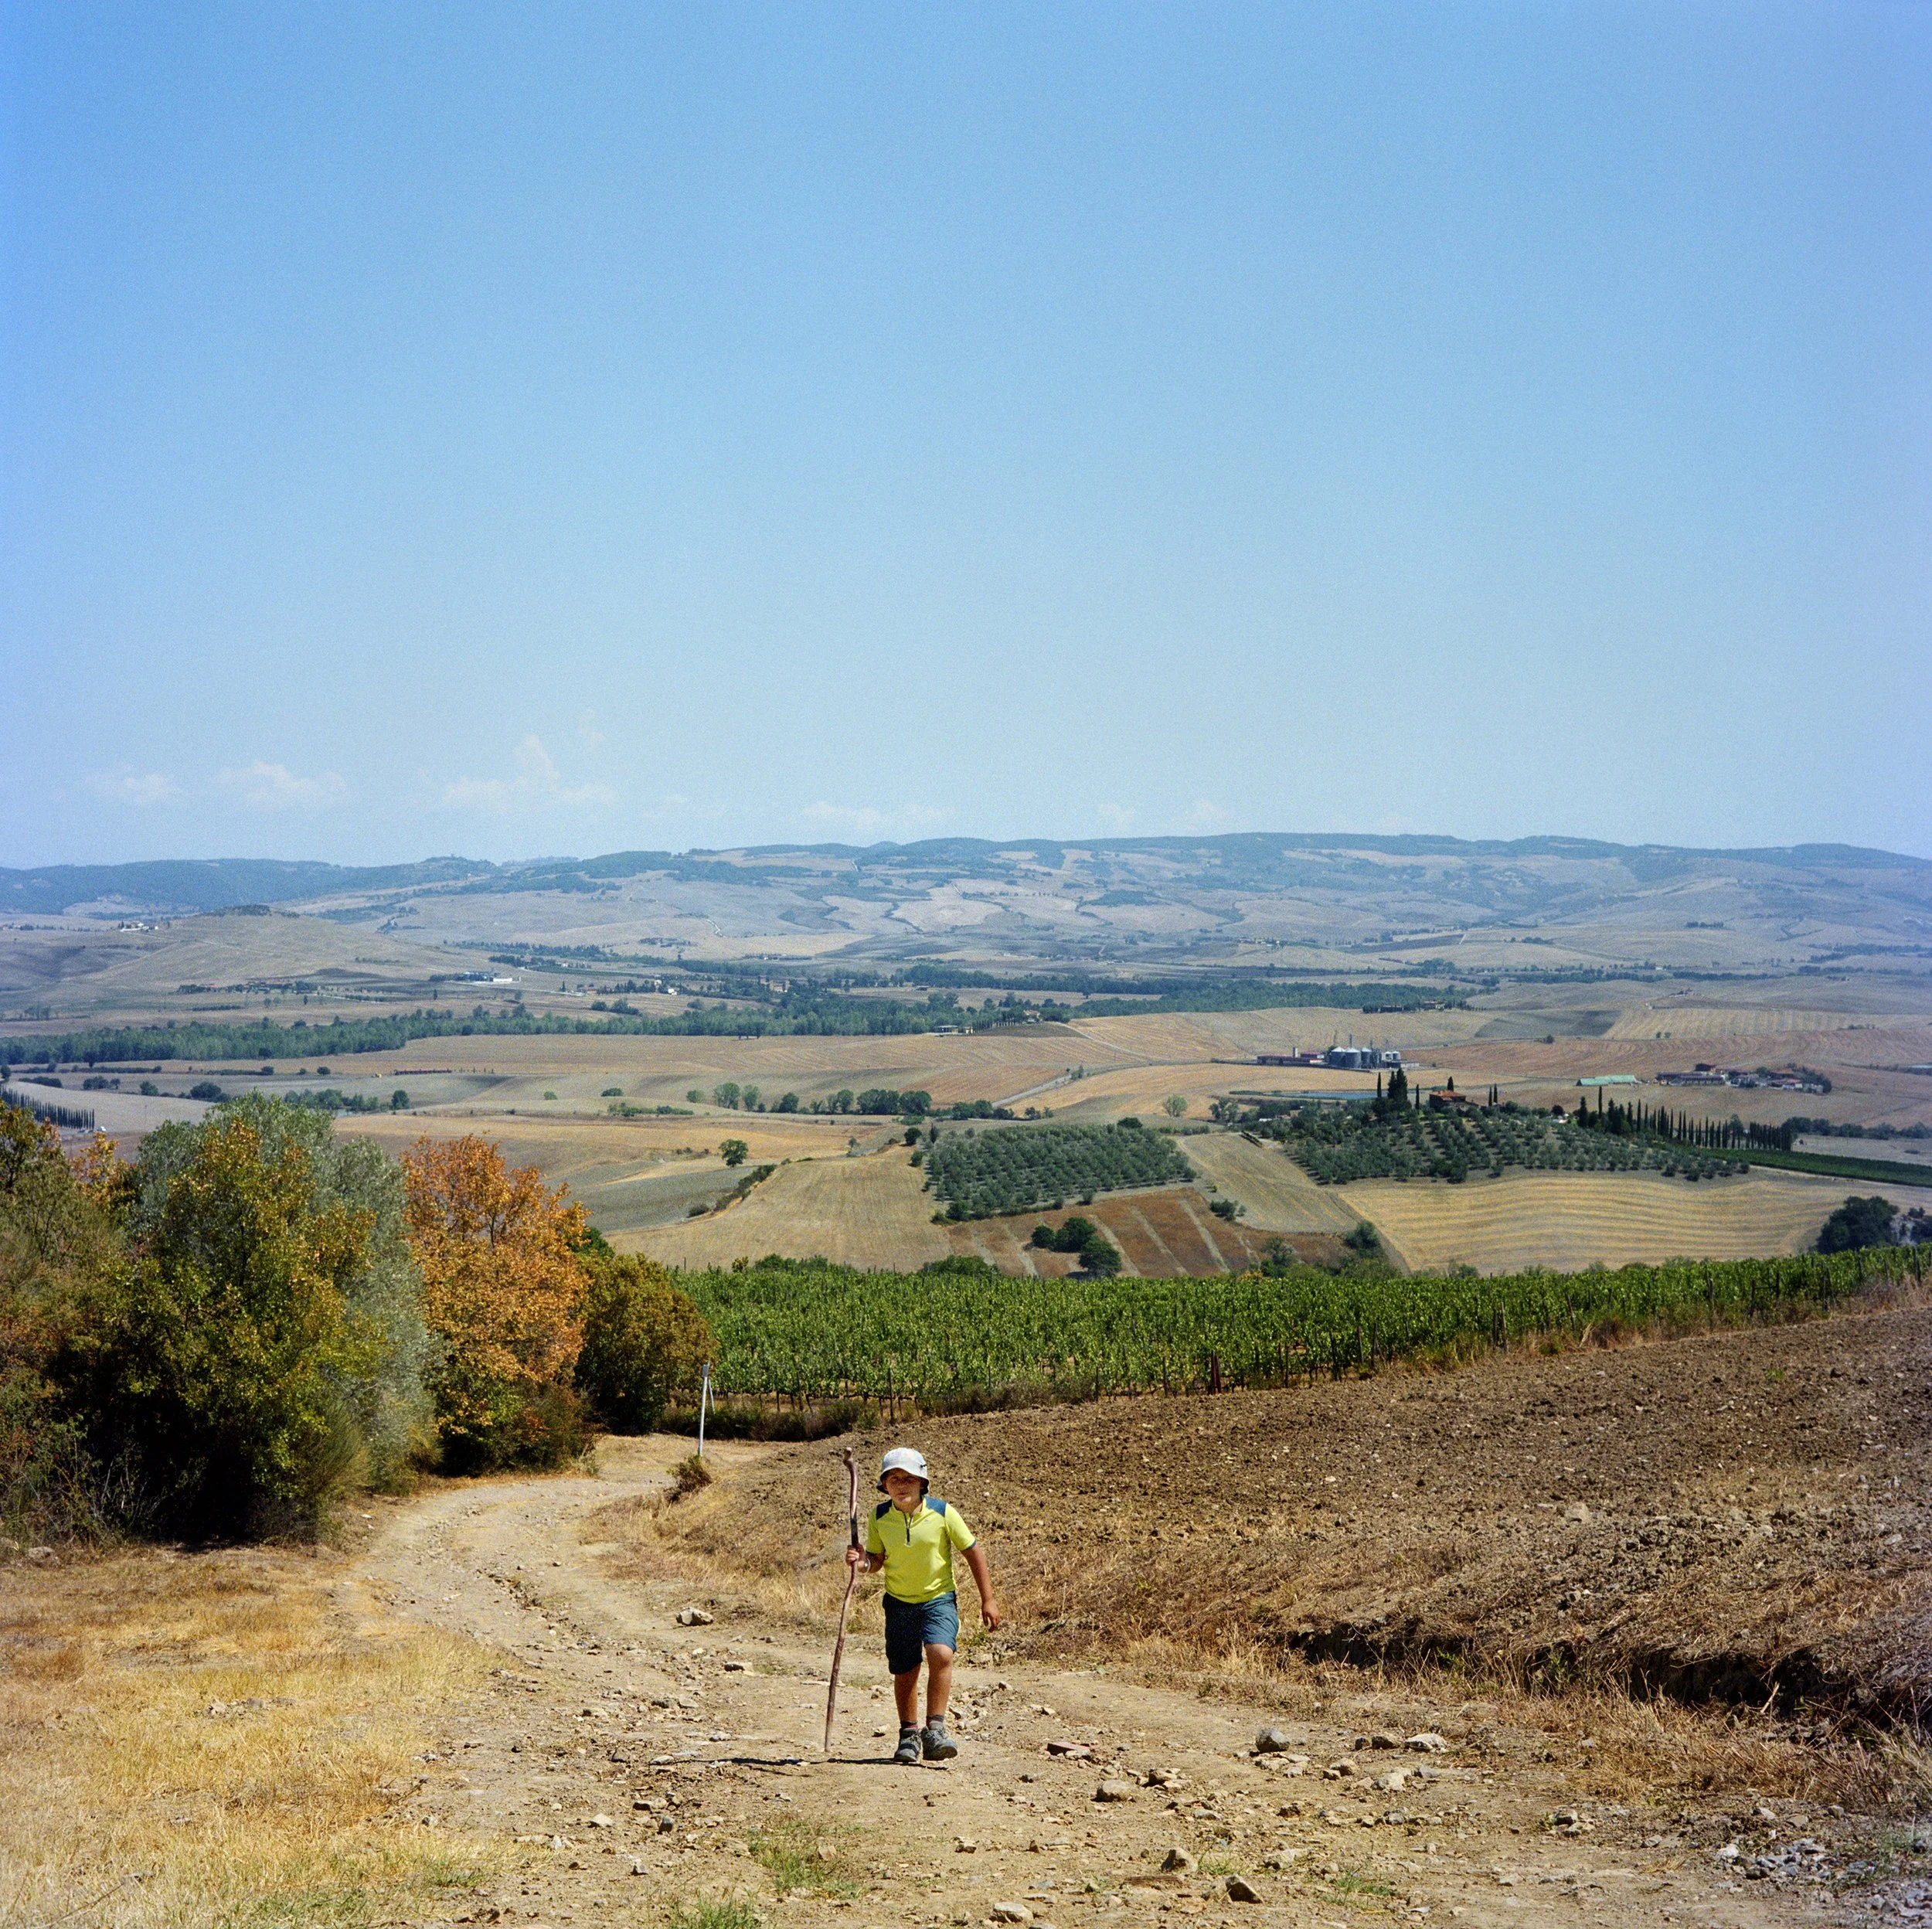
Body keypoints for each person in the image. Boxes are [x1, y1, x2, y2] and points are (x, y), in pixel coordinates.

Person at [846, 1445, 999, 1764]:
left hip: (938, 1599)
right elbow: (877, 1560)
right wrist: (862, 1563)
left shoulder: (943, 1513)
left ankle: (936, 1730)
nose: (902, 1484)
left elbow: (973, 1552)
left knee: (941, 1653)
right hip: (899, 1603)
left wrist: (988, 1598)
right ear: (884, 1485)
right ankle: (908, 1734)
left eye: (909, 1478)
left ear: (922, 1483)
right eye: (894, 1478)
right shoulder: (879, 1517)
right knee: (905, 1669)